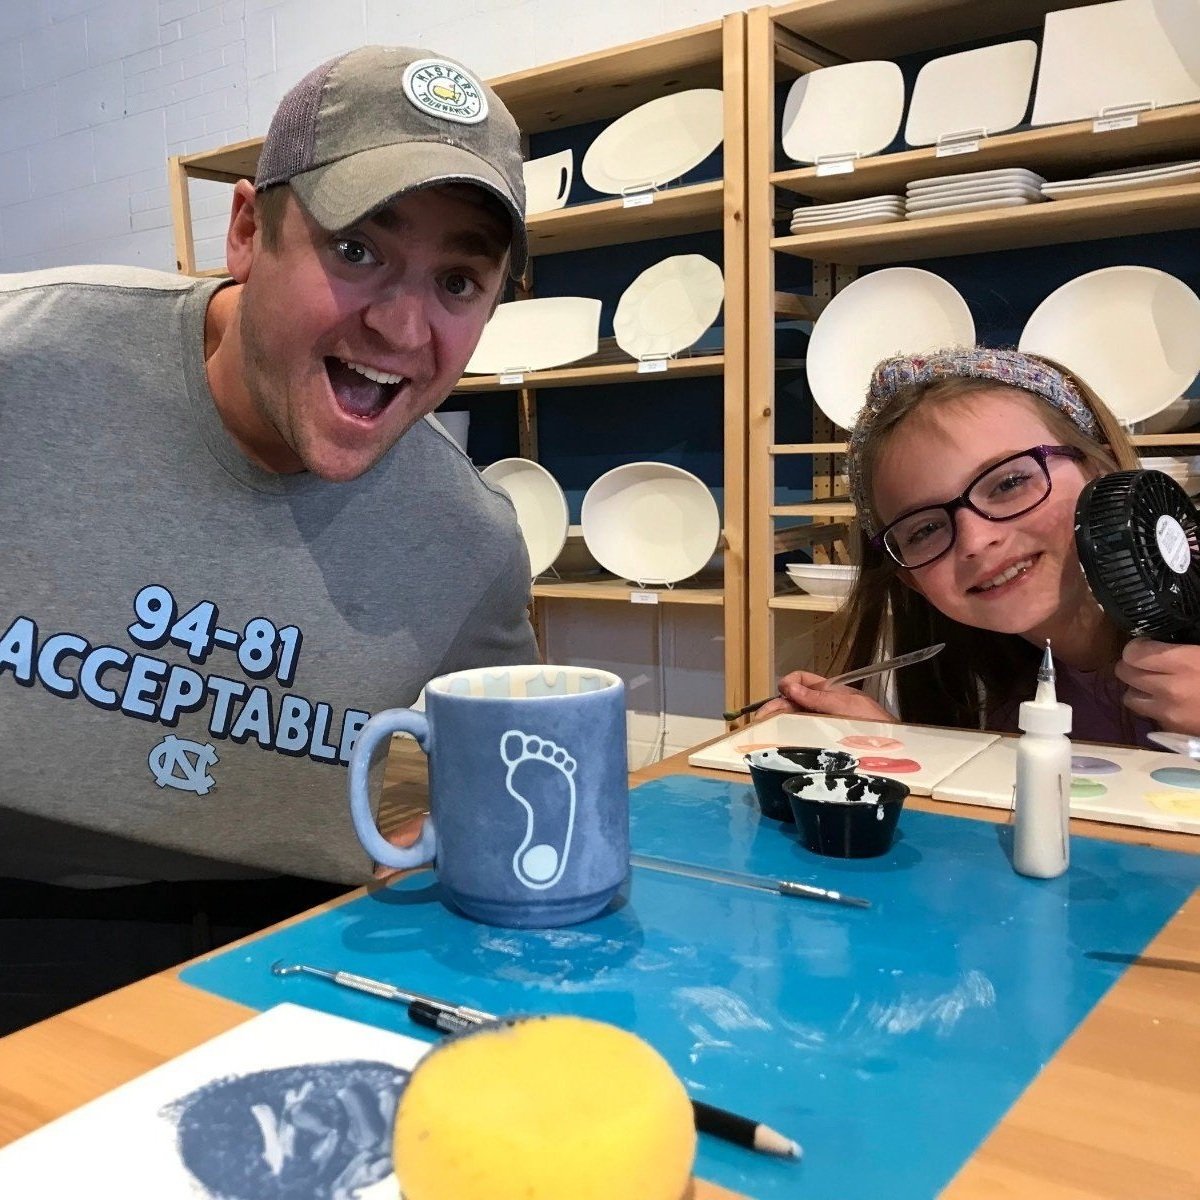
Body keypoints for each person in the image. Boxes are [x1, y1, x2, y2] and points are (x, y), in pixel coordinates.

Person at [0, 45, 538, 1032]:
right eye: (358, 250)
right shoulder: (23, 363)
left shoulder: (473, 540)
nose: (403, 324)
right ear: (247, 230)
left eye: (458, 282)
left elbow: (505, 771)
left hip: (305, 940)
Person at [760, 346, 1200, 744]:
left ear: (1100, 470)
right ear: (911, 580)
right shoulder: (1010, 703)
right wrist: (900, 751)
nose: (976, 539)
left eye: (1009, 482)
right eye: (924, 530)